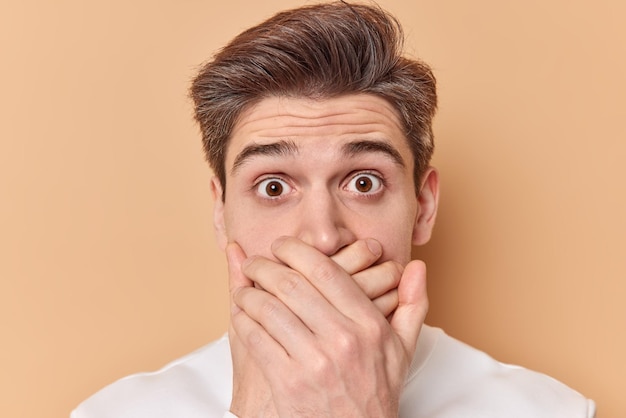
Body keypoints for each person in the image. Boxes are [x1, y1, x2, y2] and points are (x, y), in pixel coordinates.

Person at [72, 2, 595, 417]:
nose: (323, 238)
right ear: (220, 213)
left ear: (424, 206)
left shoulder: (551, 412)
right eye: (274, 187)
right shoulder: (114, 414)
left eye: (363, 182)